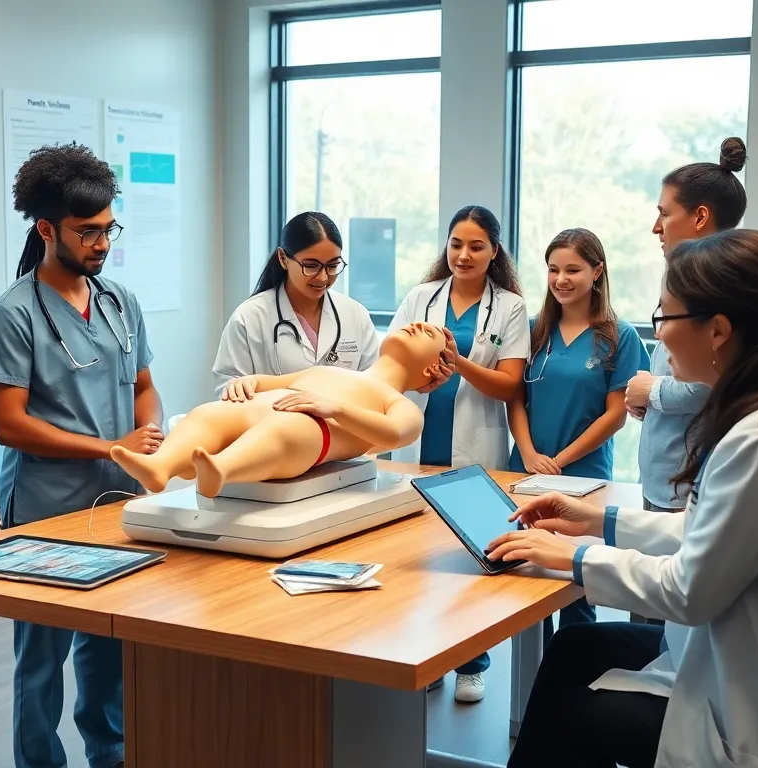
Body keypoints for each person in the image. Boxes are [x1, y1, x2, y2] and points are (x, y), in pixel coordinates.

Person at [493, 230, 758, 768]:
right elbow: (711, 531)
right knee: (575, 649)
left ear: (717, 331)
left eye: (665, 318)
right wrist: (596, 521)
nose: (659, 336)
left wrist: (572, 558)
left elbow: (690, 590)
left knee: (568, 717)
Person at [0, 143, 162, 768]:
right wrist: (112, 446)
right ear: (46, 229)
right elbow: (9, 425)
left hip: (119, 504)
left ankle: (108, 757)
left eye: (109, 230)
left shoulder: (119, 302)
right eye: (88, 233)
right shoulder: (11, 313)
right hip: (45, 511)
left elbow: (143, 387)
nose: (101, 244)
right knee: (41, 662)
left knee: (108, 649)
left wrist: (153, 438)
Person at [389, 204, 530, 703]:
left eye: (476, 246)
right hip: (416, 443)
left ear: (494, 252)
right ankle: (426, 655)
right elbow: (391, 363)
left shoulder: (510, 306)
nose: (464, 255)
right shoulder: (420, 297)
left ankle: (473, 662)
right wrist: (423, 373)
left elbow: (509, 385)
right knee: (416, 561)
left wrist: (458, 361)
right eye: (456, 244)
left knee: (470, 562)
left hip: (474, 446)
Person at [116, 322, 449, 497]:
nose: (416, 326)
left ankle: (222, 468)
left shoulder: (400, 403)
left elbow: (395, 434)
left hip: (309, 431)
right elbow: (269, 382)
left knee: (284, 429)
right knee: (208, 414)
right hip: (267, 406)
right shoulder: (330, 370)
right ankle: (160, 466)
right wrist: (246, 384)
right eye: (416, 324)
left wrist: (336, 409)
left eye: (427, 333)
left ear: (430, 371)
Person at [507, 228, 648, 629]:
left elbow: (615, 414)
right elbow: (515, 398)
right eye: (553, 270)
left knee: (573, 583)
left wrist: (559, 461)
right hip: (523, 471)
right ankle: (528, 680)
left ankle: (572, 677)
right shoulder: (533, 330)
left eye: (573, 270)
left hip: (583, 478)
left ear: (597, 271)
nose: (561, 280)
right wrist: (531, 455)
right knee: (523, 578)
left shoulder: (619, 336)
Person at [624, 137, 747, 513]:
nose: (655, 227)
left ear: (699, 218)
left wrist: (652, 390)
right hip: (663, 481)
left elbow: (708, 383)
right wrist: (652, 391)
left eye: (664, 213)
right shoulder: (688, 276)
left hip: (686, 489)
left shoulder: (719, 284)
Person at [213, 211, 380, 392]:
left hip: (342, 420)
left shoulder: (355, 315)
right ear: (283, 258)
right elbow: (230, 389)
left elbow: (375, 385)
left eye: (332, 266)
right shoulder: (250, 318)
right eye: (311, 266)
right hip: (273, 419)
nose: (323, 277)